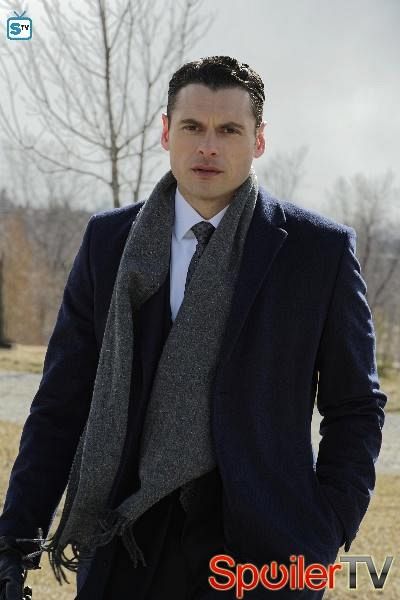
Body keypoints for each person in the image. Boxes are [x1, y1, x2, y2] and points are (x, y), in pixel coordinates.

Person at [0, 56, 387, 600]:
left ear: (258, 140)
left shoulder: (317, 251)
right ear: (166, 132)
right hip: (125, 539)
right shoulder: (109, 243)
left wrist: (327, 526)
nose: (208, 146)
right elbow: (62, 401)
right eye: (192, 127)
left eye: (229, 130)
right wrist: (15, 537)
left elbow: (356, 407)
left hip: (262, 550)